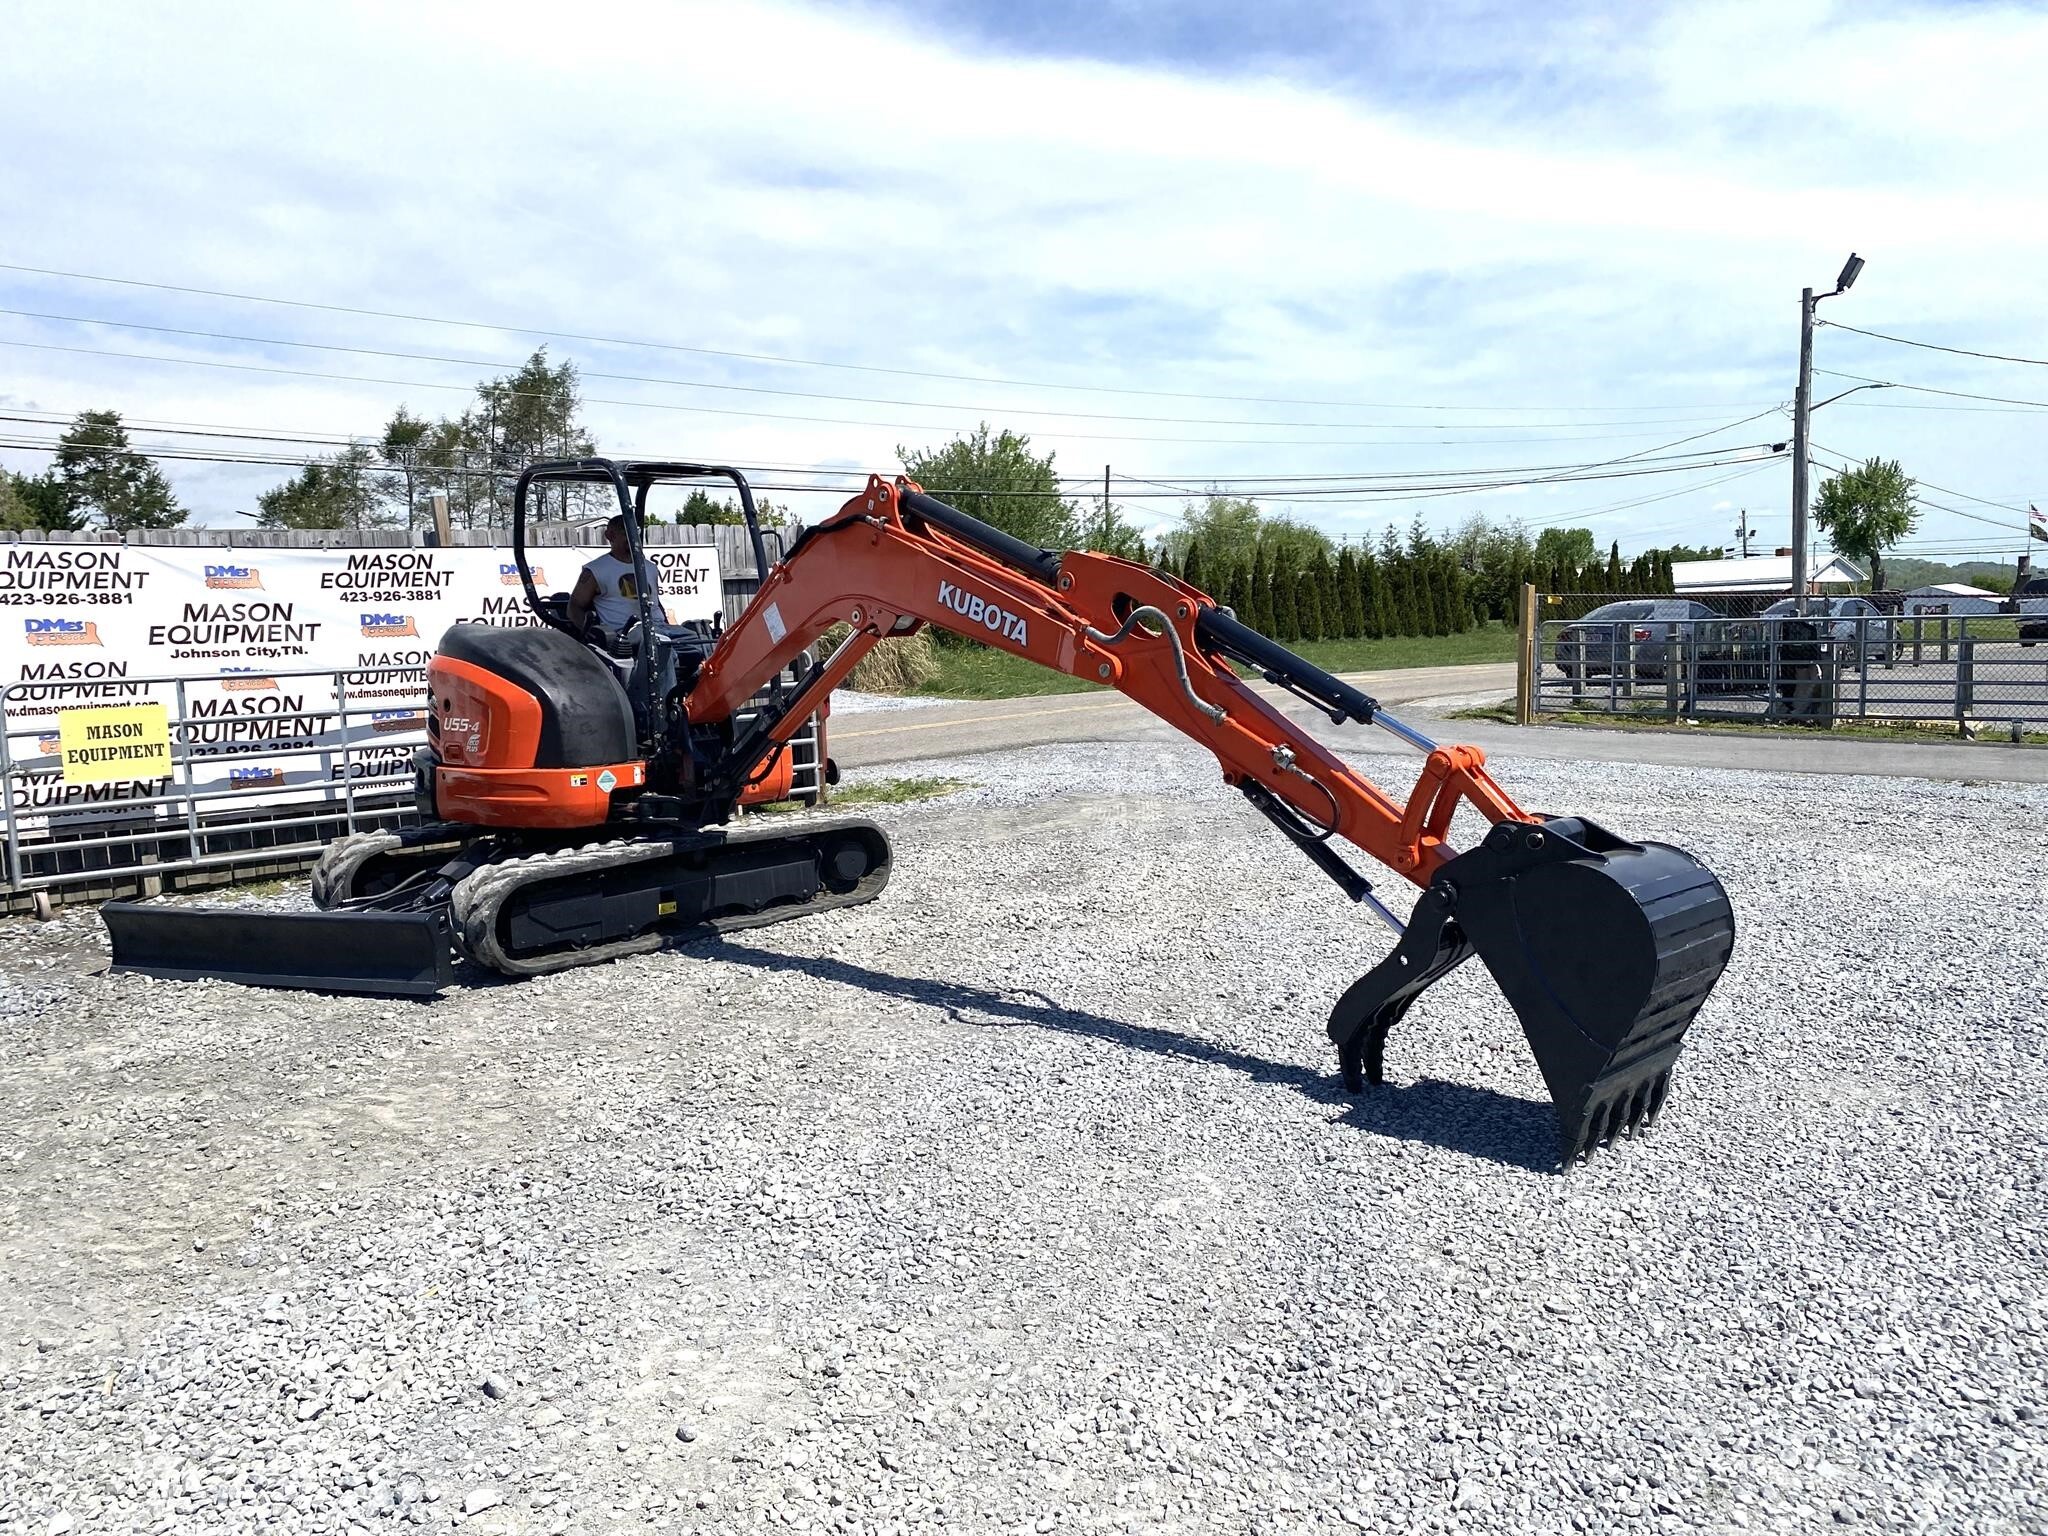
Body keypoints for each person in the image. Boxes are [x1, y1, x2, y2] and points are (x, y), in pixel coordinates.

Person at [568, 515, 661, 641]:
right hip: (626, 633)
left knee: (693, 636)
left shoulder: (650, 568)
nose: (632, 538)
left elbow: (656, 604)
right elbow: (574, 607)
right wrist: (591, 633)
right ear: (610, 536)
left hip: (659, 627)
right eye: (626, 533)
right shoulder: (596, 570)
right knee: (652, 641)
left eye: (635, 533)